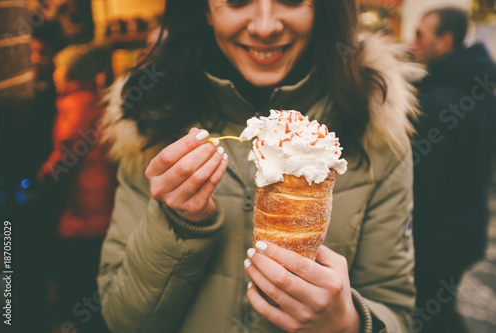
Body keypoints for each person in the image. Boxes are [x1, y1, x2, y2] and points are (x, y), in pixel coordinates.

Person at [98, 1, 424, 332]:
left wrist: (349, 323)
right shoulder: (152, 118)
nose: (265, 27)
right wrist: (175, 225)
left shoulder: (374, 124)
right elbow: (122, 320)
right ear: (206, 9)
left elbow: (397, 311)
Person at [410, 7, 496, 333]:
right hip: (467, 232)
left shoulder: (436, 101)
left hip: (435, 242)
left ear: (444, 42)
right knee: (440, 309)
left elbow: (422, 186)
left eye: (420, 34)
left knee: (428, 315)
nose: (413, 41)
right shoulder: (480, 90)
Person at [37, 44, 116, 332]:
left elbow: (66, 156)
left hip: (83, 213)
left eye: (58, 69)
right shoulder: (93, 99)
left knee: (77, 285)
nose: (54, 74)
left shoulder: (75, 104)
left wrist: (40, 179)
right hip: (100, 206)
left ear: (69, 73)